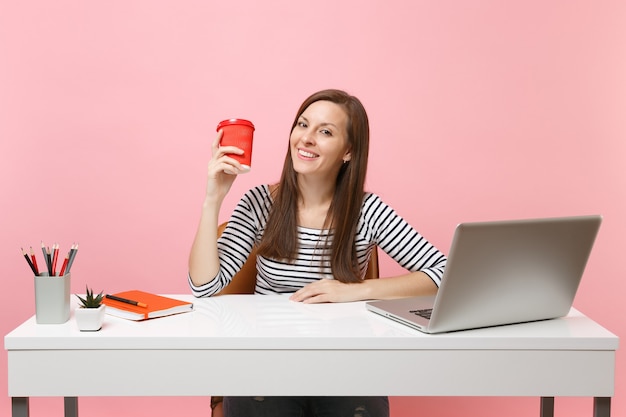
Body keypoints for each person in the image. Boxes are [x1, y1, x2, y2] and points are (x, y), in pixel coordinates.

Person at [188, 89, 447, 417]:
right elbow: (204, 287)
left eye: (325, 132)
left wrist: (356, 291)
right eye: (302, 125)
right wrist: (214, 198)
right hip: (268, 364)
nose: (306, 139)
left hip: (346, 366)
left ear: (348, 151)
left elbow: (445, 273)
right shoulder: (260, 203)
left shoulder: (367, 211)